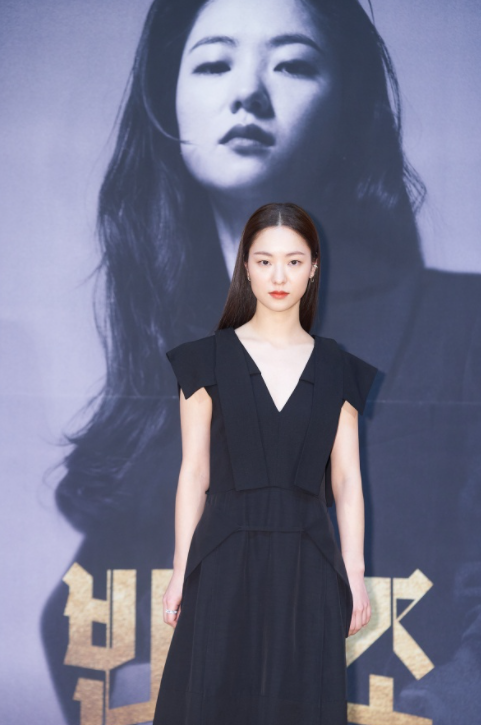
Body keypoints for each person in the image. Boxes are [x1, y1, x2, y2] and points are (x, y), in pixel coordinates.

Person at [42, 0, 481, 720]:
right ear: (166, 103)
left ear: (350, 105)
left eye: (292, 64)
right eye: (213, 63)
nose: (246, 92)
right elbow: (84, 622)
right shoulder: (179, 357)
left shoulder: (460, 329)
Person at [152, 201, 379, 724]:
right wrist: (181, 569)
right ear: (246, 267)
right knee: (212, 701)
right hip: (223, 558)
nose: (279, 276)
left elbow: (347, 479)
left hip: (309, 564)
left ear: (314, 267)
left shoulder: (338, 368)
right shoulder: (204, 359)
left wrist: (355, 570)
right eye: (265, 261)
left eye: (294, 261)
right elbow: (194, 473)